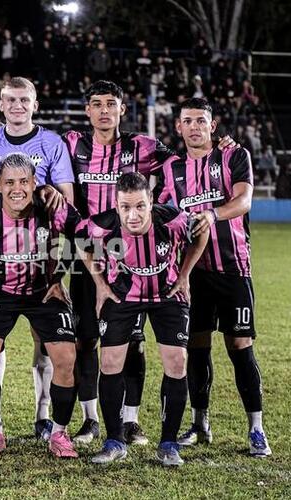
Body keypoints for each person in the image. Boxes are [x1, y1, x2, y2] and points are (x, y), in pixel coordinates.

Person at [62, 80, 179, 445]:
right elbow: (32, 149)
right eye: (96, 104)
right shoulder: (71, 143)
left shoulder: (140, 146)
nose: (103, 110)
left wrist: (158, 208)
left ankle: (130, 421)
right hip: (86, 252)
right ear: (87, 111)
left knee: (133, 340)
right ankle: (90, 419)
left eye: (110, 104)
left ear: (122, 109)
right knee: (85, 340)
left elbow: (182, 163)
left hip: (130, 258)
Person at [156, 97, 272, 458]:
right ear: (178, 127)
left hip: (233, 270)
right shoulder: (171, 169)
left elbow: (244, 200)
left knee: (240, 348)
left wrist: (212, 214)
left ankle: (256, 428)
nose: (194, 127)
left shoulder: (234, 156)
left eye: (200, 121)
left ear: (213, 124)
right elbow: (163, 213)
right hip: (193, 273)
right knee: (197, 348)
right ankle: (199, 422)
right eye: (187, 121)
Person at [78, 172, 208, 466]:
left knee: (177, 362)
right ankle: (114, 441)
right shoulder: (102, 225)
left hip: (167, 295)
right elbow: (82, 244)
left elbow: (202, 232)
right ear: (116, 205)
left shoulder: (172, 219)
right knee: (110, 363)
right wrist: (100, 285)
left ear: (151, 201)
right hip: (123, 297)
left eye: (139, 206)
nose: (132, 215)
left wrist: (185, 274)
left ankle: (168, 444)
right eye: (125, 207)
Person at [0, 76, 75, 442]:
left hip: (42, 260)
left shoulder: (52, 142)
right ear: (0, 104)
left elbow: (66, 202)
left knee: (45, 341)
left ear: (35, 104)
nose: (17, 106)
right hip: (1, 264)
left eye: (24, 100)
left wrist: (57, 272)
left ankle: (44, 415)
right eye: (10, 100)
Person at [0, 153, 81, 459]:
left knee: (67, 358)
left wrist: (59, 277)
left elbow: (82, 236)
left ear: (34, 183)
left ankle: (58, 433)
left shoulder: (52, 209)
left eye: (24, 181)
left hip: (42, 292)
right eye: (10, 182)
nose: (18, 189)